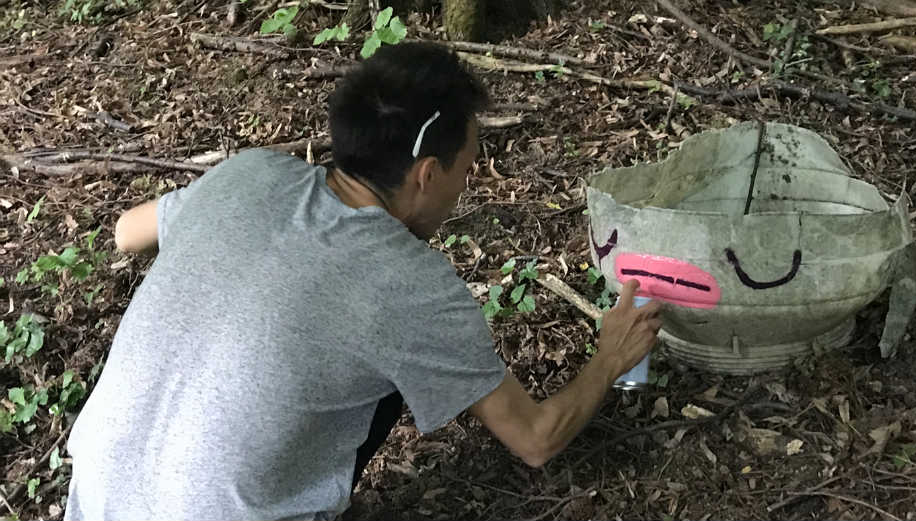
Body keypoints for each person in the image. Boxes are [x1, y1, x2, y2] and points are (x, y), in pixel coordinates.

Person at [63, 42, 661, 520]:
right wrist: (608, 358)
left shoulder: (248, 173)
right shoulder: (410, 285)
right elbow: (536, 439)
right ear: (427, 173)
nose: (467, 183)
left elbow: (124, 231)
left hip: (95, 496)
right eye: (468, 166)